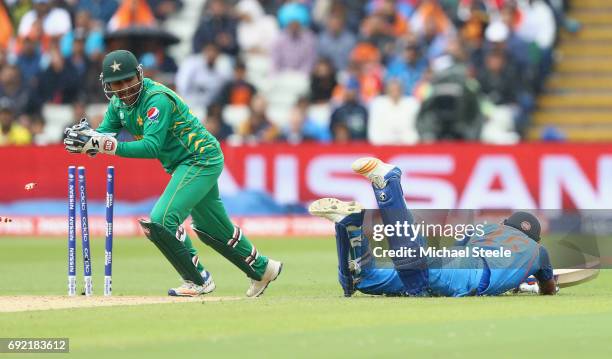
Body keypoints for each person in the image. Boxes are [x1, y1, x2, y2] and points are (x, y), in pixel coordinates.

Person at [63, 50, 282, 297]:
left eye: (128, 80)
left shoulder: (156, 99)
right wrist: (88, 141)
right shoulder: (117, 105)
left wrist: (104, 146)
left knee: (161, 221)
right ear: (107, 84)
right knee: (210, 229)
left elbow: (150, 146)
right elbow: (105, 136)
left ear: (139, 75)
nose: (123, 88)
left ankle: (198, 280)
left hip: (199, 159)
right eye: (116, 83)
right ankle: (263, 269)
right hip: (184, 164)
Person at [309, 157, 557, 297]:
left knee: (367, 280)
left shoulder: (489, 228)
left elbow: (457, 250)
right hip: (469, 275)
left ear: (506, 224)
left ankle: (348, 224)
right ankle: (389, 184)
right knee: (416, 273)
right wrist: (526, 283)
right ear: (535, 239)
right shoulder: (538, 252)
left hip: (458, 260)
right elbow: (548, 289)